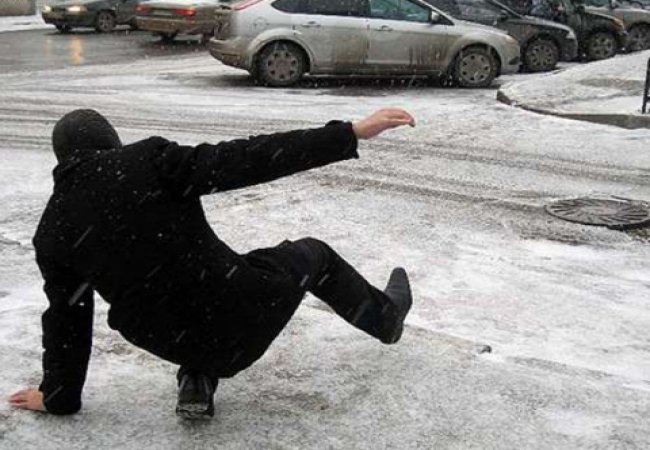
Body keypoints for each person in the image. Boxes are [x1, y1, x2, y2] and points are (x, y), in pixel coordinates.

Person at [8, 108, 415, 419]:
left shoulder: (52, 232)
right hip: (241, 313)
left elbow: (67, 321)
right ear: (111, 141)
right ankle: (387, 318)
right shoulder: (148, 161)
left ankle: (197, 376)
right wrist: (348, 134)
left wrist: (58, 397)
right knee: (315, 256)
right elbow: (248, 158)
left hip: (170, 339)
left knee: (175, 288)